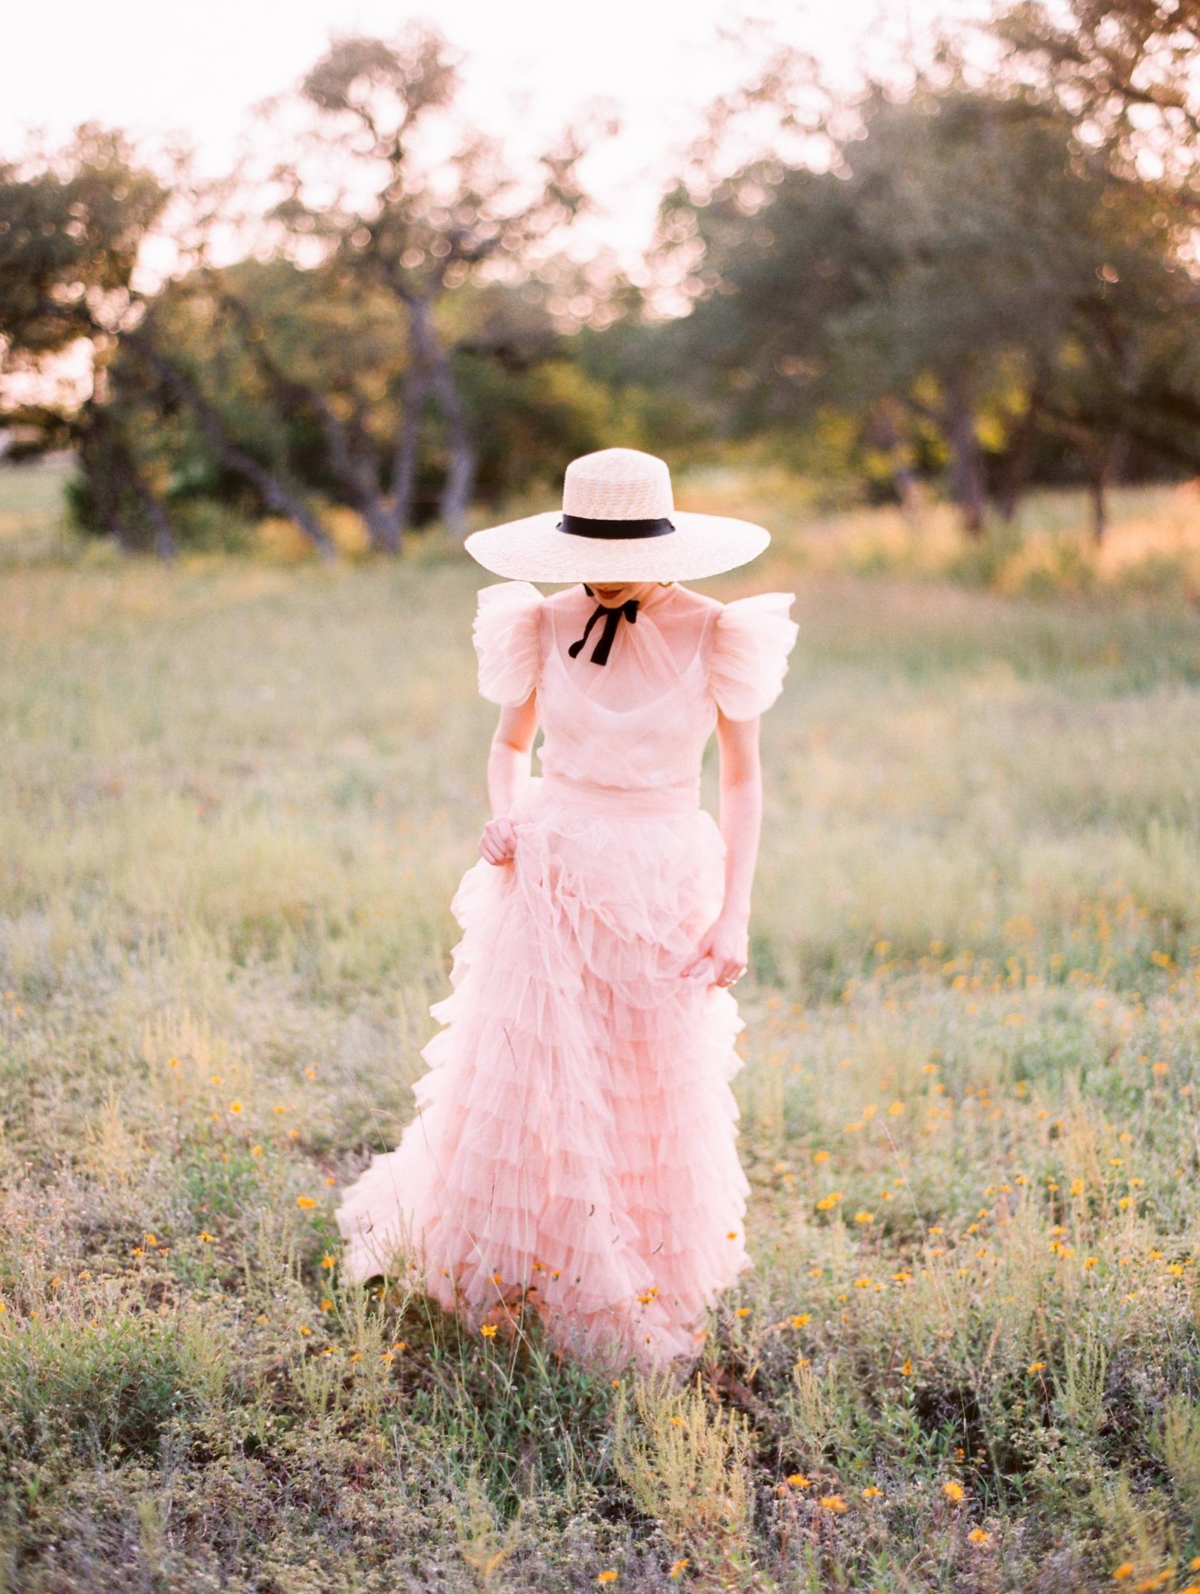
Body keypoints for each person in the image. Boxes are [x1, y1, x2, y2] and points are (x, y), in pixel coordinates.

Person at [334, 447, 799, 1378]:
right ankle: (517, 1275)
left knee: (643, 1082)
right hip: (548, 869)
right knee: (533, 1081)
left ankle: (634, 1279)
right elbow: (511, 744)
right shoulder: (539, 620)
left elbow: (742, 783)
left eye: (618, 545)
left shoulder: (718, 632)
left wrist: (735, 913)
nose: (599, 567)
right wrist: (505, 813)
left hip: (663, 875)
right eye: (586, 545)